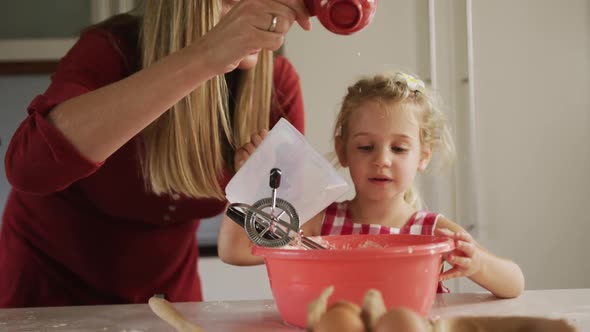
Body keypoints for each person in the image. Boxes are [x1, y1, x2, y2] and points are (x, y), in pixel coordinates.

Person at [0, 0, 311, 308]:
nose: (253, 17)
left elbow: (287, 230)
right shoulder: (112, 50)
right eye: (231, 3)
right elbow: (28, 168)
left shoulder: (276, 87)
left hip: (166, 297)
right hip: (46, 288)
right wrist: (204, 57)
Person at [218, 71, 525, 299]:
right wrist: (252, 180)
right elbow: (236, 252)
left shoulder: (432, 232)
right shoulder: (320, 223)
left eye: (399, 149)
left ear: (424, 156)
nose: (382, 160)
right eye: (366, 147)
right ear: (343, 151)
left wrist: (479, 264)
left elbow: (515, 283)